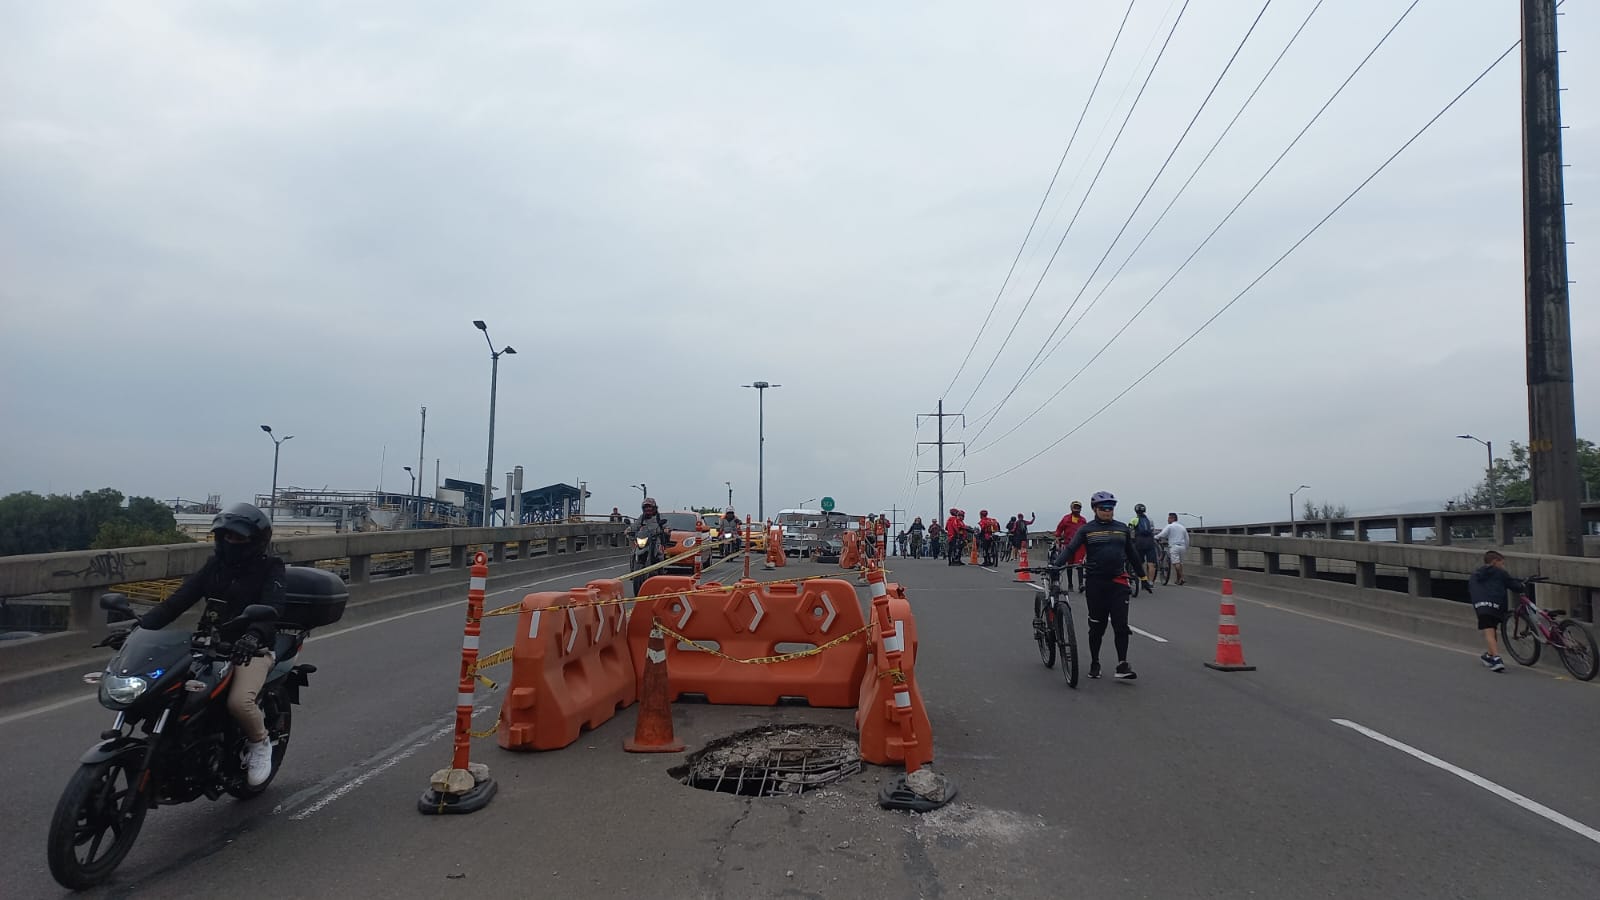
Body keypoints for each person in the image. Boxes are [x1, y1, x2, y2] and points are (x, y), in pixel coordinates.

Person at [135, 503, 286, 786]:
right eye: (227, 537)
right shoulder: (214, 565)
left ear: (255, 541)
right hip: (208, 643)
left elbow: (273, 608)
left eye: (239, 538)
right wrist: (140, 628)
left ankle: (260, 743)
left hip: (252, 648)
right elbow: (178, 601)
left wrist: (252, 636)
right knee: (163, 689)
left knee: (239, 702)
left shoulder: (270, 567)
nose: (231, 543)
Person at [1055, 491, 1147, 680]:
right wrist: (1055, 565)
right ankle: (1095, 662)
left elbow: (1132, 554)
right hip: (1096, 583)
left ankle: (1122, 664)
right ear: (1095, 509)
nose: (1108, 512)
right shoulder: (1087, 530)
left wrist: (1143, 577)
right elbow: (1071, 549)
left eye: (1111, 508)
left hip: (1119, 582)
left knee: (1121, 625)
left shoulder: (1121, 529)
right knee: (1097, 626)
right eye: (1104, 508)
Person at [1469, 550, 1525, 672]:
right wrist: (1522, 585)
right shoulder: (1500, 573)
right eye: (1502, 563)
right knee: (1491, 632)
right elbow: (1514, 585)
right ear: (1495, 562)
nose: (1503, 566)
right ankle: (1497, 659)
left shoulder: (1475, 575)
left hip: (1482, 607)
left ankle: (1489, 655)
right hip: (1496, 606)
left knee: (1491, 632)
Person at [1054, 501, 1088, 592]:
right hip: (1068, 544)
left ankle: (1081, 584)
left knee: (1079, 564)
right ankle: (1070, 584)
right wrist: (1057, 537)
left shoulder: (1083, 520)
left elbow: (1086, 532)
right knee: (1069, 564)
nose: (1077, 509)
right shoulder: (1066, 519)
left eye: (1078, 507)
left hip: (1080, 545)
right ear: (1071, 508)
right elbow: (1059, 529)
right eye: (1075, 507)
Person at [1127, 503, 1159, 591]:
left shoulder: (1134, 520)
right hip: (1150, 543)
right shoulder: (1150, 520)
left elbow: (1129, 531)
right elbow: (1153, 531)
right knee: (1151, 563)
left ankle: (1141, 579)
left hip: (1139, 543)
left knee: (1139, 562)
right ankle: (1151, 582)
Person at [1154, 513, 1190, 585]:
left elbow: (1163, 534)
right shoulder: (1182, 527)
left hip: (1174, 546)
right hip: (1182, 546)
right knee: (1180, 564)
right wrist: (1186, 547)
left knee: (1176, 563)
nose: (1168, 520)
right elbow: (1187, 538)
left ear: (1172, 518)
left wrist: (1156, 537)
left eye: (1169, 518)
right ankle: (1178, 580)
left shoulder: (1170, 526)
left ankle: (1182, 578)